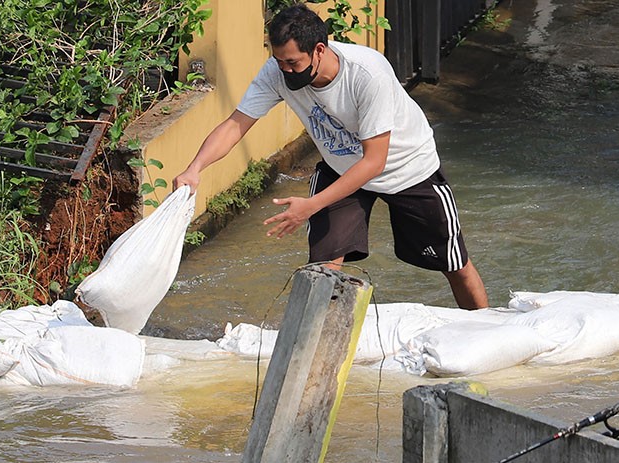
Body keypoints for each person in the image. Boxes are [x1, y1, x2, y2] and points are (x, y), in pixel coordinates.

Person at [172, 4, 488, 309]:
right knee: (322, 269)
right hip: (341, 166)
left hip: (408, 169)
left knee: (455, 265)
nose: (285, 70)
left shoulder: (367, 73)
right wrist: (194, 169)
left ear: (320, 50)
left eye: (293, 63)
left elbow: (374, 162)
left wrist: (311, 206)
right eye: (279, 60)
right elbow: (234, 125)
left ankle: (487, 330)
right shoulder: (277, 71)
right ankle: (311, 346)